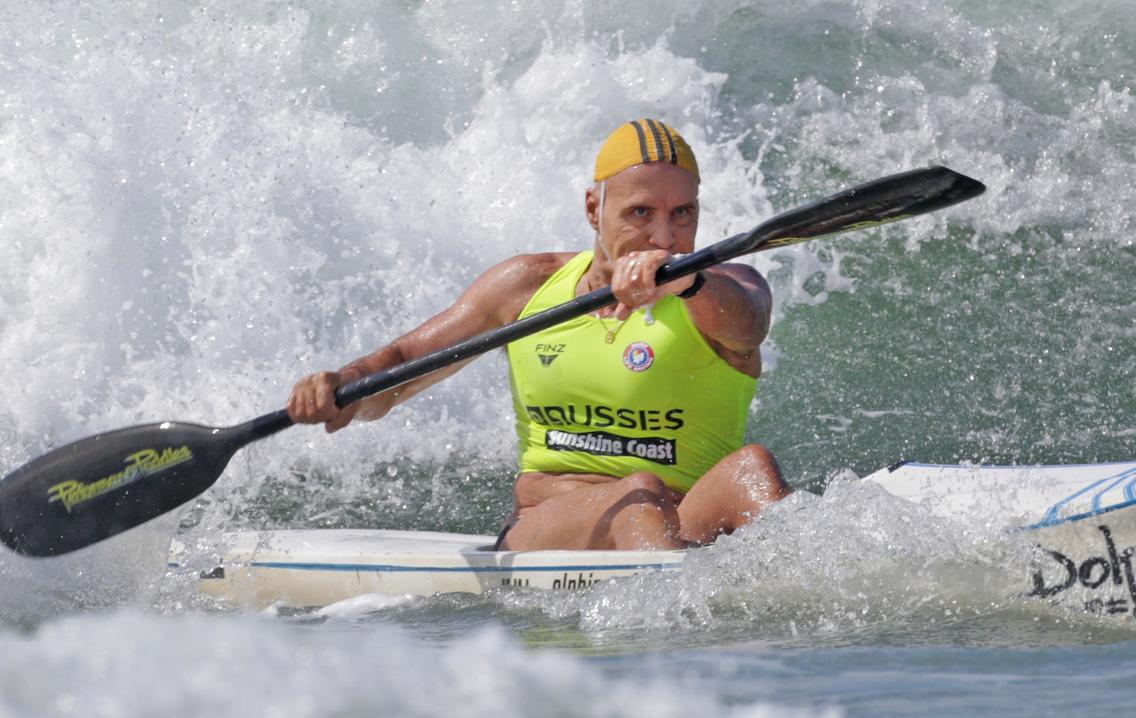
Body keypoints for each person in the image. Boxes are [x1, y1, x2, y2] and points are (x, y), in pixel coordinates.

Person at [287, 119, 790, 551]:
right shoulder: (526, 286)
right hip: (547, 527)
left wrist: (691, 281)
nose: (664, 236)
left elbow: (749, 321)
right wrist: (346, 386)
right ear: (594, 209)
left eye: (682, 213)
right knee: (640, 496)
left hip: (683, 523)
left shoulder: (724, 290)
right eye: (640, 213)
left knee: (754, 470)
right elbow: (404, 362)